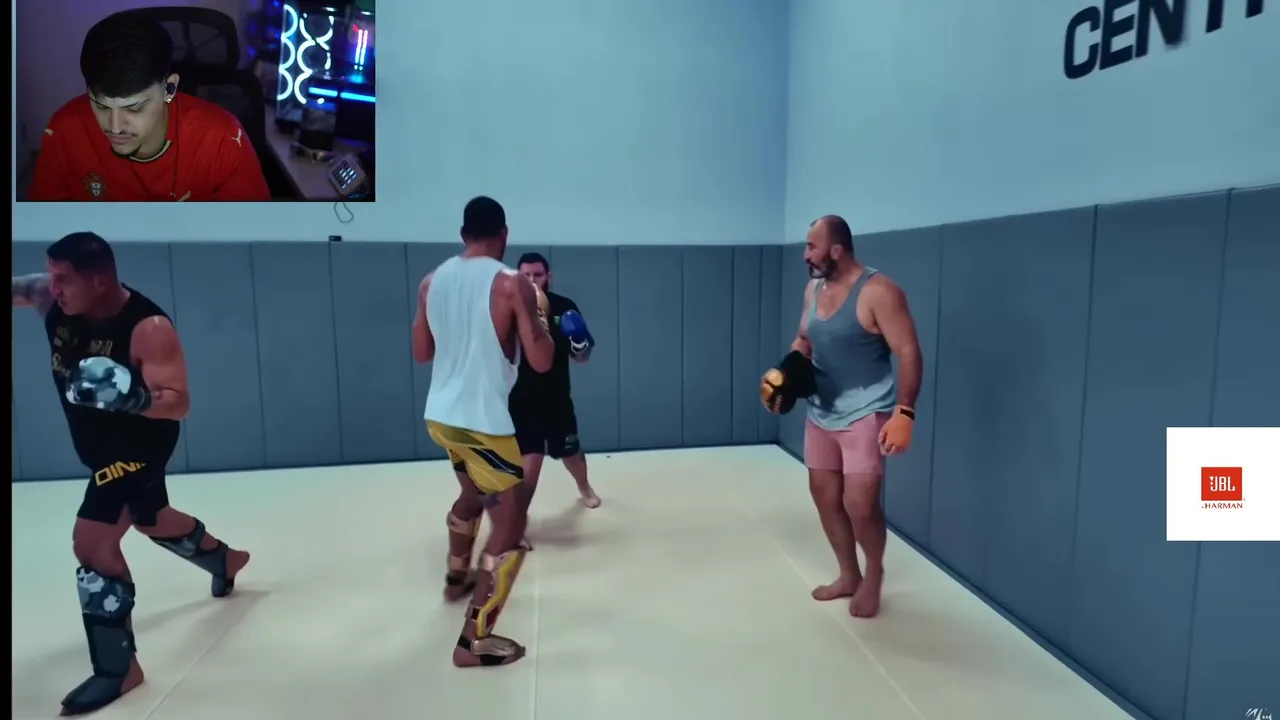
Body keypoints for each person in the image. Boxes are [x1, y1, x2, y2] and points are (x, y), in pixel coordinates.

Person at [12, 232, 251, 715]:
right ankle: (225, 561)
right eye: (51, 276)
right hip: (99, 448)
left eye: (64, 279)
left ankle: (118, 669)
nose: (52, 287)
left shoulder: (148, 327)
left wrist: (131, 398)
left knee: (92, 543)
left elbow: (178, 402)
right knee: (151, 519)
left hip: (139, 446)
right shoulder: (49, 299)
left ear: (100, 280)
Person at [412, 196, 556, 667]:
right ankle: (474, 640)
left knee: (473, 494)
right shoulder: (513, 284)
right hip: (481, 423)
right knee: (511, 525)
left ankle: (457, 576)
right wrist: (541, 317)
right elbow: (541, 360)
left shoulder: (431, 281)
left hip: (440, 418)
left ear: (462, 234)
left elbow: (421, 352)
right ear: (505, 234)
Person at [764, 215, 923, 619]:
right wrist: (784, 373)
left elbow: (908, 351)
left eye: (811, 247)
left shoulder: (879, 292)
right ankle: (849, 574)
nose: (805, 255)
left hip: (866, 411)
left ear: (836, 250)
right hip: (821, 410)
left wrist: (905, 413)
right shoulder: (813, 289)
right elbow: (804, 338)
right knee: (824, 495)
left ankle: (874, 574)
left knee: (860, 504)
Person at [28, 11, 272, 202]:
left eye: (134, 108)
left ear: (170, 88)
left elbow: (254, 235)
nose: (115, 127)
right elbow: (42, 231)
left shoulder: (222, 138)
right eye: (101, 106)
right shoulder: (64, 130)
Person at [510, 252, 601, 522]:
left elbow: (582, 358)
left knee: (572, 453)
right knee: (530, 462)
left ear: (548, 276)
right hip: (521, 399)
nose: (532, 280)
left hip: (557, 397)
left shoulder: (564, 307)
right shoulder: (510, 310)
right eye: (526, 275)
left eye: (538, 274)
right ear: (517, 278)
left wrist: (579, 343)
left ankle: (584, 486)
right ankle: (517, 523)